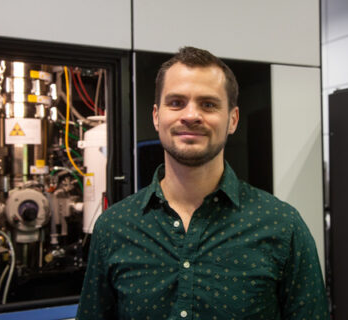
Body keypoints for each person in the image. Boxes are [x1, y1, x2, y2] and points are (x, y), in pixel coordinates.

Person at [76, 47, 329, 320]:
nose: (191, 115)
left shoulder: (283, 226)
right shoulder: (114, 228)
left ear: (232, 119)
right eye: (176, 103)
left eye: (208, 104)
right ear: (156, 116)